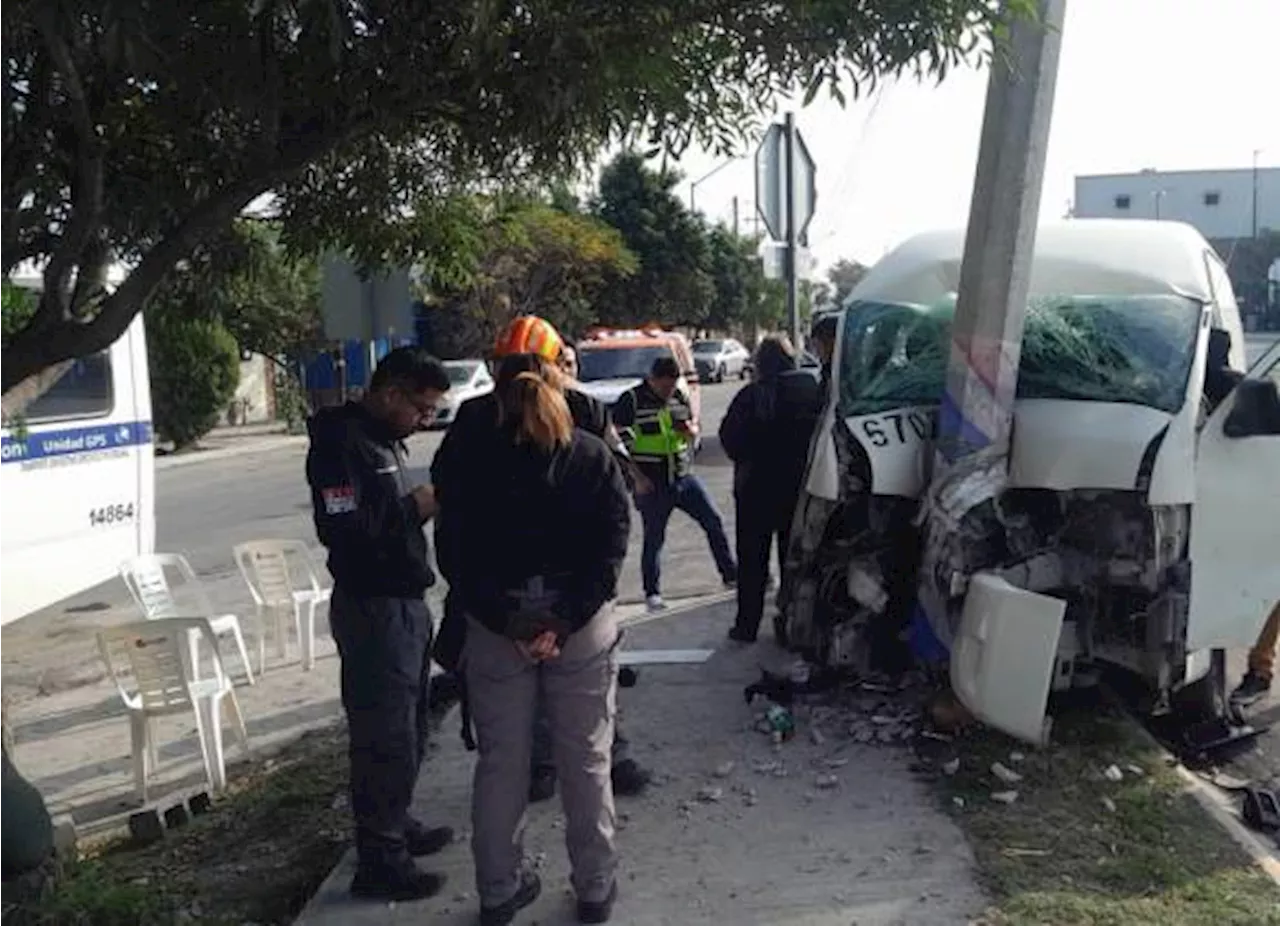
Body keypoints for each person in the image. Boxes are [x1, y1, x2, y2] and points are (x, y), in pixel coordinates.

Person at [437, 364, 631, 925]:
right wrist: (565, 620)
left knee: (502, 764)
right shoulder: (592, 457)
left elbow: (453, 551)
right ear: (562, 393)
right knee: (588, 759)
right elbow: (612, 545)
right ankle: (595, 888)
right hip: (580, 626)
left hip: (499, 626)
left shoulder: (473, 461)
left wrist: (506, 619)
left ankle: (498, 892)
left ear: (497, 400)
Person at [432, 317, 653, 803]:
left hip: (538, 586)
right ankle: (554, 764)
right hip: (537, 586)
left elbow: (449, 511)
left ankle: (587, 759)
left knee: (555, 686)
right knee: (573, 687)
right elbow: (618, 500)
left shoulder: (579, 411)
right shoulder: (478, 420)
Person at [304, 346, 455, 901]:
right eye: (420, 407)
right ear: (389, 392)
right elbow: (344, 530)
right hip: (372, 609)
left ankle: (400, 821)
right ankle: (380, 858)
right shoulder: (340, 445)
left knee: (410, 727)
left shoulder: (383, 439)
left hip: (405, 603)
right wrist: (415, 507)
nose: (425, 419)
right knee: (382, 736)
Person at [719, 334, 821, 644]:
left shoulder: (751, 396)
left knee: (752, 563)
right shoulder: (811, 391)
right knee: (794, 559)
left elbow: (730, 439)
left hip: (755, 489)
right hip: (798, 488)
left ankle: (747, 626)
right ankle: (790, 623)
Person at [614, 355, 737, 612]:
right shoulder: (632, 401)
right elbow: (618, 445)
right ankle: (652, 593)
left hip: (682, 476)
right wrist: (636, 478)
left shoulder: (678, 397)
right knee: (654, 537)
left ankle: (730, 575)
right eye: (664, 386)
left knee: (712, 521)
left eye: (672, 385)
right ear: (653, 379)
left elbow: (690, 427)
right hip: (651, 481)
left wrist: (691, 431)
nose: (668, 391)